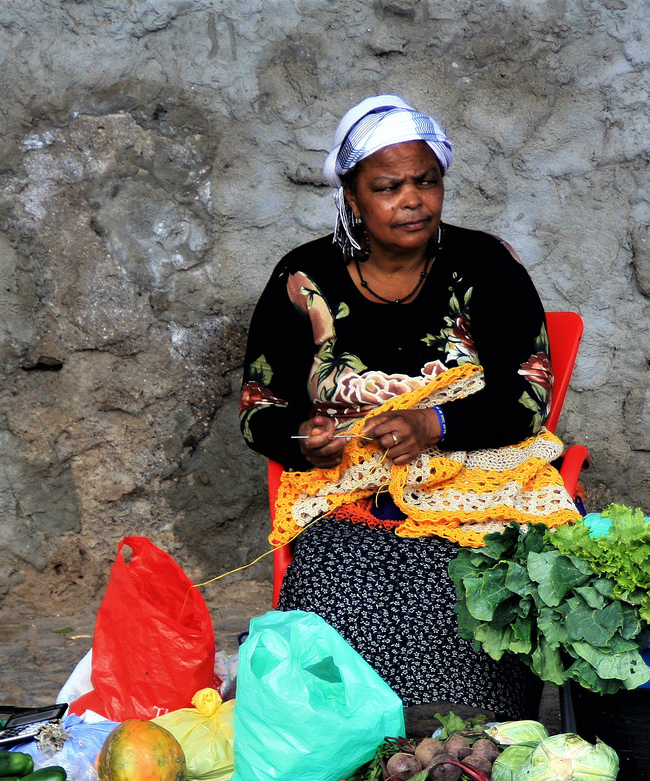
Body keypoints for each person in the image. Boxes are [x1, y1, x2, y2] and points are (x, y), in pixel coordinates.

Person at [239, 94, 579, 722]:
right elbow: (260, 406)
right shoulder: (302, 275)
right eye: (388, 186)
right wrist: (303, 438)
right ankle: (348, 733)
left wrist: (436, 423)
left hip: (476, 475)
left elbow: (527, 398)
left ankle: (468, 737)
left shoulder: (484, 265)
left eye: (427, 181)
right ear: (351, 197)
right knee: (333, 573)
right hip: (351, 489)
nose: (413, 199)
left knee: (479, 580)